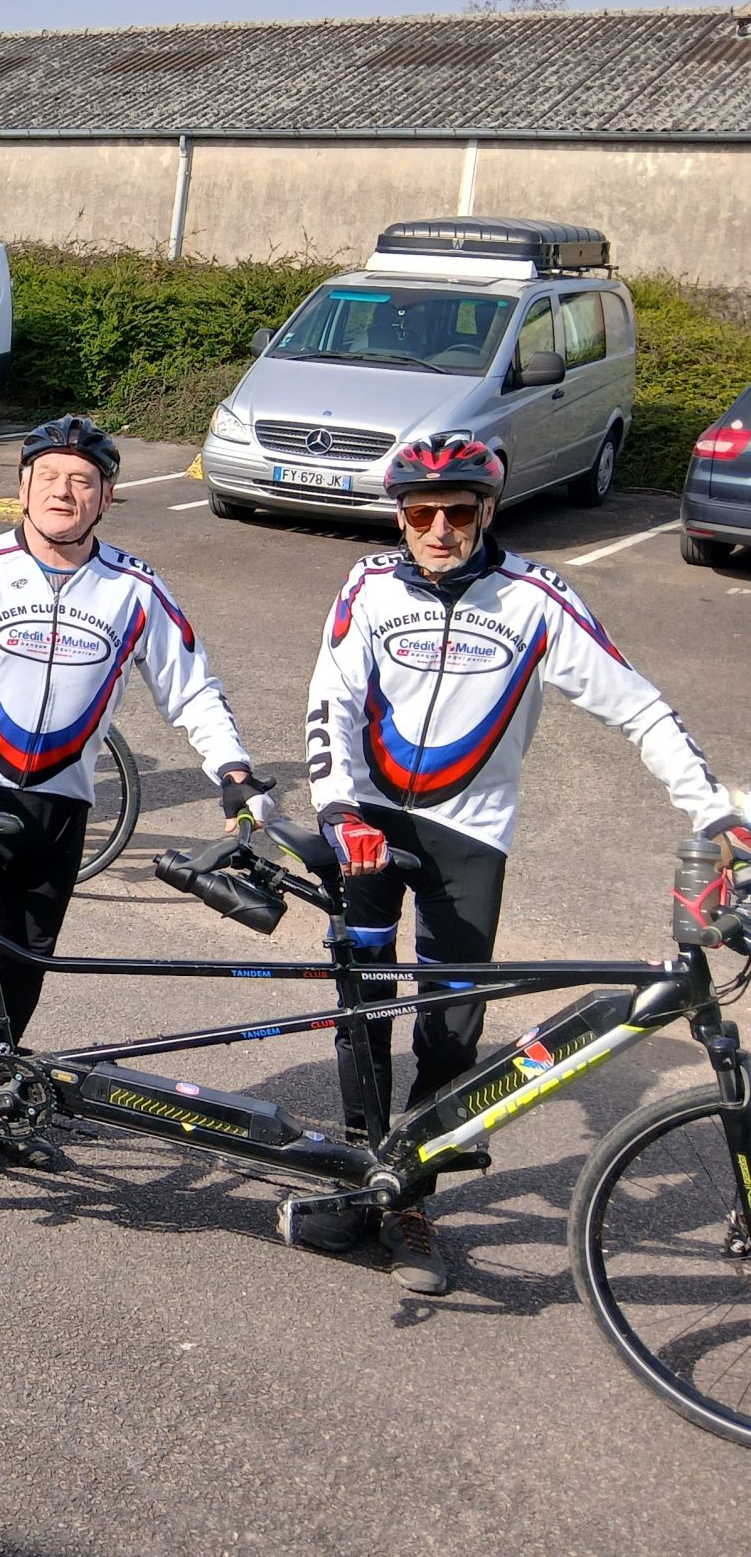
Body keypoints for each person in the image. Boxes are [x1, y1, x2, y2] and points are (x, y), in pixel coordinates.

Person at [303, 434, 749, 1293]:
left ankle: (412, 1198)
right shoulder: (366, 584)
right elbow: (333, 694)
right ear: (399, 515)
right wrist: (336, 802)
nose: (437, 529)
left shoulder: (536, 600)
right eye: (419, 513)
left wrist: (713, 811)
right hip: (367, 822)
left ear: (488, 512)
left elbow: (640, 707)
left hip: (469, 834)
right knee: (364, 1003)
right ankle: (363, 1171)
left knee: (452, 1024)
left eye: (457, 512)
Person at [0, 416, 270, 1179]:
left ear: (106, 496)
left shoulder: (135, 589)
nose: (62, 493)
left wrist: (231, 770)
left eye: (81, 481)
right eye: (48, 478)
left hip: (60, 806)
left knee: (30, 961)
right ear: (24, 488)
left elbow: (192, 688)